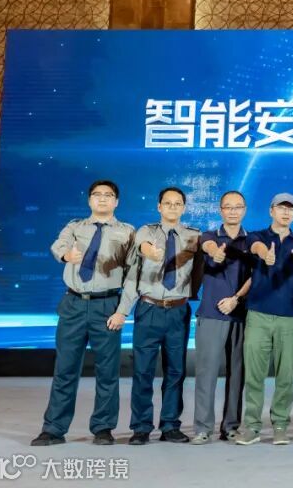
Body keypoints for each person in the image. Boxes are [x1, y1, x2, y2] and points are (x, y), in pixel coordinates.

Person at [32, 180, 136, 447]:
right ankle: (53, 429)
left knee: (108, 372)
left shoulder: (127, 232)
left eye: (108, 195)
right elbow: (58, 246)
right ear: (90, 200)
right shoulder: (75, 227)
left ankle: (103, 428)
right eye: (97, 194)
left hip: (107, 306)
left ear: (116, 202)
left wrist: (123, 311)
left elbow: (134, 276)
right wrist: (67, 255)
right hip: (74, 305)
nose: (102, 199)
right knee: (65, 369)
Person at [124, 186, 201, 446]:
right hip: (149, 308)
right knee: (143, 371)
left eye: (177, 203)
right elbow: (142, 246)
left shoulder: (194, 236)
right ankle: (141, 427)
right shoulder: (146, 231)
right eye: (167, 203)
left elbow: (202, 268)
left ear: (184, 208)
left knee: (176, 371)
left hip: (178, 310)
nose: (172, 207)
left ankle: (170, 425)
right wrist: (151, 251)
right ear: (159, 207)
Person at [235, 193, 293, 446]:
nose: (286, 212)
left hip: (289, 318)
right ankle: (252, 426)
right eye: (281, 208)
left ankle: (280, 425)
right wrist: (264, 254)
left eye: (291, 209)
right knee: (254, 375)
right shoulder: (257, 236)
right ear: (271, 211)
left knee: (285, 375)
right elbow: (255, 247)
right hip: (258, 315)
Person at [191, 190, 252, 444]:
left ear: (244, 210)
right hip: (211, 314)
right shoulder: (209, 236)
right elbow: (207, 247)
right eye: (228, 207)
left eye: (238, 207)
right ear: (220, 210)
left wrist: (236, 298)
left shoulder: (253, 241)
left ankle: (231, 426)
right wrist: (215, 252)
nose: (233, 211)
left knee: (237, 374)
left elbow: (255, 276)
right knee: (206, 372)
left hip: (241, 315)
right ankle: (202, 427)